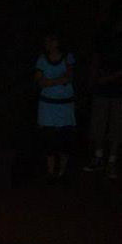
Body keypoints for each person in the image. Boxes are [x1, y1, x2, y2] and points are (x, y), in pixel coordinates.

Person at [83, 0, 122, 179]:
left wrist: (110, 77)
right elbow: (95, 57)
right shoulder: (104, 33)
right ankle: (98, 157)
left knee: (117, 127)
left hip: (119, 89)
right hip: (102, 87)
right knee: (98, 125)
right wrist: (93, 80)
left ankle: (112, 161)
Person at [34, 32, 77, 183]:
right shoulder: (42, 59)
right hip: (47, 106)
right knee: (49, 139)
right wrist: (59, 80)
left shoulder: (67, 57)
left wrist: (50, 81)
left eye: (50, 41)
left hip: (65, 106)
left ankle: (62, 172)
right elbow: (40, 82)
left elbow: (69, 77)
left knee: (64, 139)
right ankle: (50, 171)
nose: (47, 44)